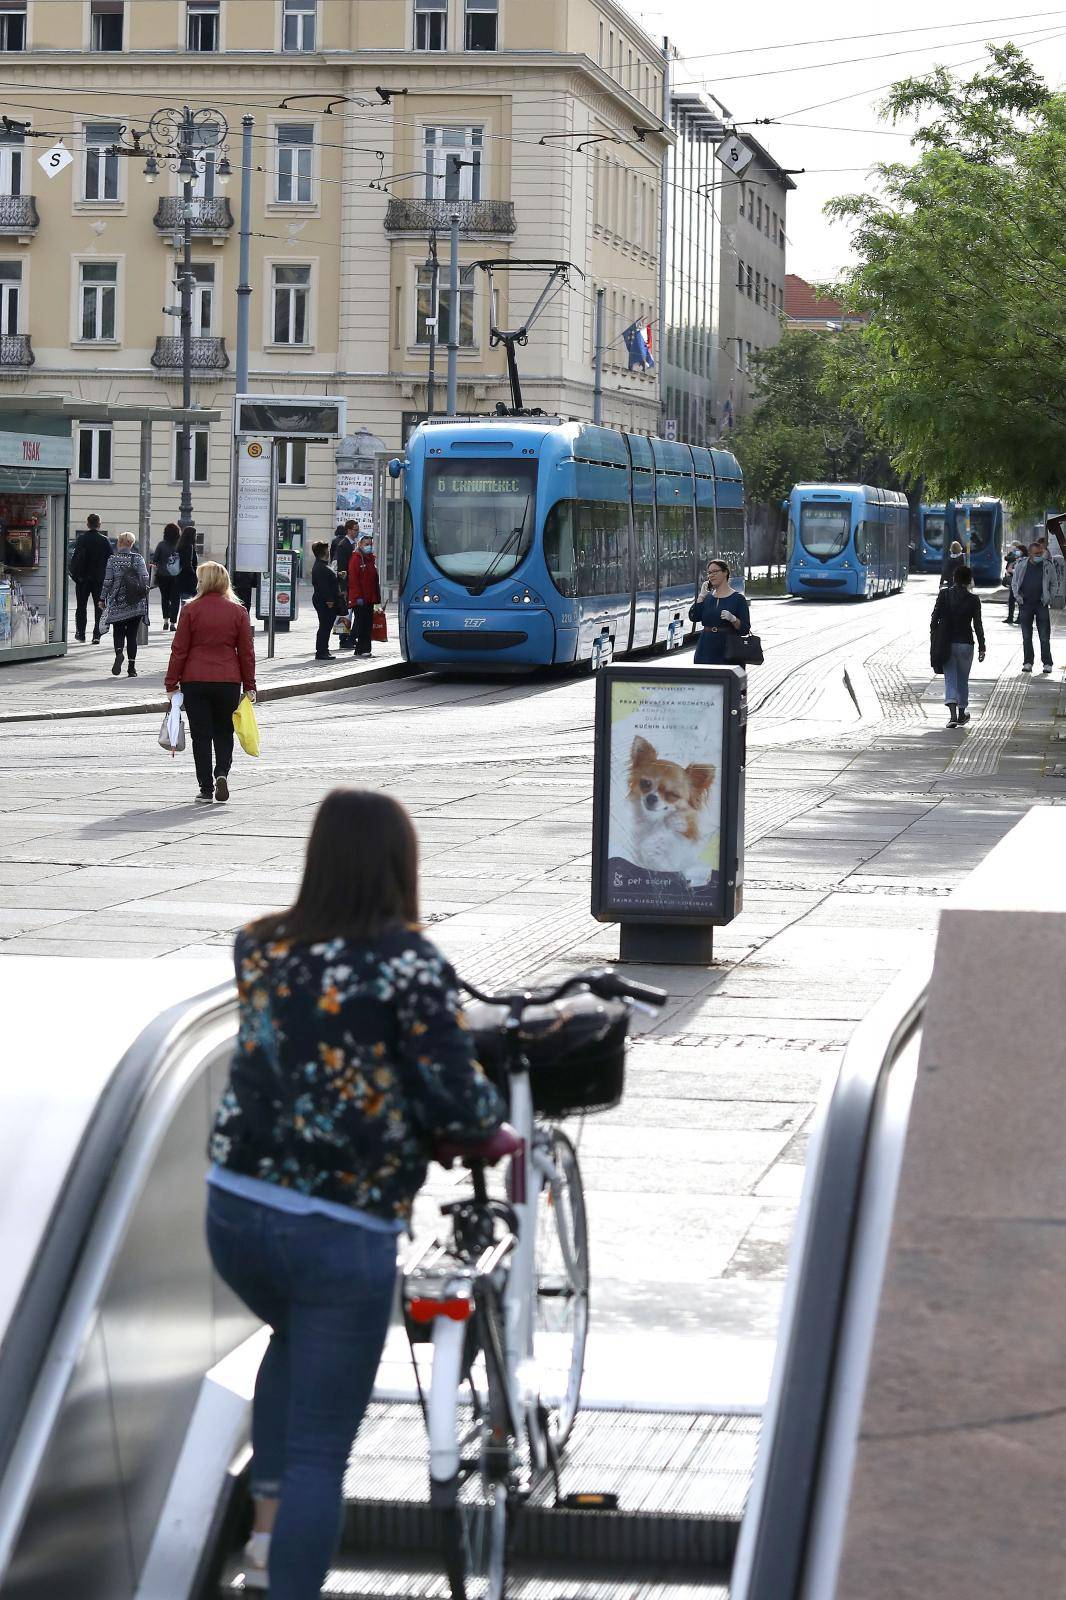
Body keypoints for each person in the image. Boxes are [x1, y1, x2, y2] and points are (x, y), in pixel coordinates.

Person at [204, 788, 508, 1598]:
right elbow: (454, 1093)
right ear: (399, 866)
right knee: (319, 1456)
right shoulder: (409, 960)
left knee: (289, 1338)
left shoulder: (259, 947)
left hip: (233, 1210)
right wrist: (492, 1129)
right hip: (337, 1230)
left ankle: (266, 1547)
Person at [165, 561, 257, 804]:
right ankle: (222, 774)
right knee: (224, 731)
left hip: (195, 680)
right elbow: (246, 652)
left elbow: (179, 650)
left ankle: (205, 788)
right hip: (228, 680)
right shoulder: (238, 612)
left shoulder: (190, 610)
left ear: (203, 582)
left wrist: (171, 683)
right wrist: (250, 685)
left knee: (201, 735)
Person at [931, 563, 986, 727]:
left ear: (954, 579)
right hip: (966, 644)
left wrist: (935, 639)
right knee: (963, 680)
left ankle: (953, 716)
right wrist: (982, 646)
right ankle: (962, 714)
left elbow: (934, 619)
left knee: (950, 679)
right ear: (969, 581)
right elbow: (978, 625)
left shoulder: (944, 595)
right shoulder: (974, 599)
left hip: (947, 643)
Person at [99, 531, 149, 678]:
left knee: (119, 632)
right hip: (136, 603)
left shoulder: (113, 559)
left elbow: (107, 581)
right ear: (132, 544)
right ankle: (132, 669)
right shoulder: (138, 558)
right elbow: (145, 578)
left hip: (117, 602)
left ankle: (119, 653)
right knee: (132, 636)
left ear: (119, 543)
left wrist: (102, 599)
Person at [689, 559, 750, 664]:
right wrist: (701, 597)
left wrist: (733, 619)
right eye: (709, 573)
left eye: (715, 572)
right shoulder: (708, 598)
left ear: (725, 572)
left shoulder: (738, 599)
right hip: (706, 647)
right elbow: (694, 617)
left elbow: (745, 629)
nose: (711, 575)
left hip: (728, 648)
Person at [1011, 540, 1055, 674]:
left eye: (1041, 553)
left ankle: (1047, 663)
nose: (1039, 555)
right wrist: (1019, 598)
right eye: (1036, 553)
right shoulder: (1021, 565)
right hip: (1026, 605)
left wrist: (1049, 598)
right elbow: (1015, 583)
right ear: (1030, 553)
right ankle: (1028, 662)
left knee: (1044, 636)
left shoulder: (1047, 565)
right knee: (1026, 636)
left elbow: (1054, 584)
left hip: (1041, 605)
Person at [68, 512, 112, 643]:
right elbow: (111, 558)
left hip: (83, 579)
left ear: (87, 524)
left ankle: (81, 633)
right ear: (99, 525)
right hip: (99, 579)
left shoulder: (81, 539)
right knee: (99, 606)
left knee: (81, 606)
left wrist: (75, 575)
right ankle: (96, 635)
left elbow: (75, 558)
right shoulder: (104, 540)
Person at [346, 530, 381, 657]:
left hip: (369, 597)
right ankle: (361, 649)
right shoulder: (356, 560)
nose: (369, 546)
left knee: (367, 624)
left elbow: (373, 580)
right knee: (362, 624)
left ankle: (365, 649)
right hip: (360, 598)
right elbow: (354, 580)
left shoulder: (369, 559)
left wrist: (376, 598)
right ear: (360, 544)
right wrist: (358, 597)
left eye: (370, 544)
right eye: (366, 544)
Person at [310, 539, 341, 661]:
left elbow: (328, 579)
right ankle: (321, 651)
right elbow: (323, 586)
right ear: (323, 552)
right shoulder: (320, 567)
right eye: (327, 549)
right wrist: (329, 600)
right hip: (324, 602)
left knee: (326, 626)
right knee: (325, 626)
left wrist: (338, 575)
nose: (328, 551)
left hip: (326, 601)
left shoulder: (323, 565)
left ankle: (324, 650)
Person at [151, 522, 182, 631]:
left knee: (165, 598)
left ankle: (165, 621)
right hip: (176, 576)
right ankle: (173, 623)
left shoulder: (161, 545)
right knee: (175, 599)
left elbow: (155, 560)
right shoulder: (180, 545)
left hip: (162, 575)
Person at [332, 521, 356, 650]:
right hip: (346, 584)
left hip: (352, 584)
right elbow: (341, 568)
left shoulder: (352, 544)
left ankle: (349, 638)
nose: (356, 532)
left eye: (357, 530)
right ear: (348, 530)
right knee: (345, 612)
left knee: (349, 612)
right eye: (354, 530)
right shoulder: (343, 545)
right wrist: (343, 587)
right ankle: (343, 639)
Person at [174, 524, 199, 610]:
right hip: (188, 580)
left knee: (184, 604)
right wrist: (195, 576)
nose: (196, 537)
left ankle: (183, 621)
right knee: (189, 604)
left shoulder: (180, 546)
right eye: (195, 535)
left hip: (180, 578)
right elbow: (188, 564)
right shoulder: (189, 546)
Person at [1003, 541, 1024, 624]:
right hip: (1013, 579)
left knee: (1017, 599)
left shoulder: (1020, 556)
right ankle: (1011, 617)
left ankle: (1018, 618)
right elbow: (1006, 558)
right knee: (1012, 599)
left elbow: (1010, 559)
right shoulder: (1014, 553)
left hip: (1017, 579)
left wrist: (1014, 556)